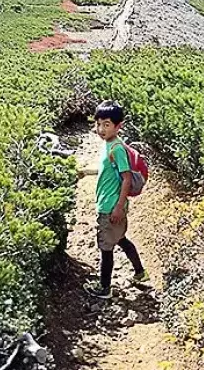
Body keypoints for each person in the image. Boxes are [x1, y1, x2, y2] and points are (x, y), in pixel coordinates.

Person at [83, 100, 148, 299]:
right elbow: (108, 172)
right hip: (111, 204)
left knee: (106, 247)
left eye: (107, 124)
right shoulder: (108, 144)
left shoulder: (117, 149)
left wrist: (118, 207)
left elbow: (126, 177)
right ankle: (140, 273)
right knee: (120, 239)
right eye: (98, 124)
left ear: (118, 126)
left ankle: (104, 288)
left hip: (111, 207)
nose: (101, 129)